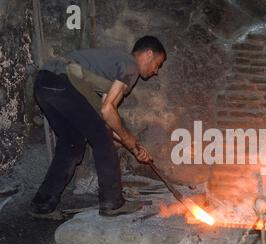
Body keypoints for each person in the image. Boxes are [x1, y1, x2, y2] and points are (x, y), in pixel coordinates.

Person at [31, 36, 166, 217]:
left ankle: (42, 205)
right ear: (148, 54)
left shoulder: (112, 70)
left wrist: (134, 147)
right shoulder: (130, 66)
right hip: (62, 82)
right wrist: (129, 139)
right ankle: (113, 202)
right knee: (102, 141)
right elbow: (107, 111)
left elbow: (105, 119)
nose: (156, 71)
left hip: (45, 84)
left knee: (72, 144)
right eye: (157, 64)